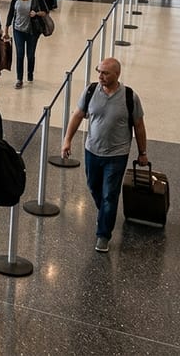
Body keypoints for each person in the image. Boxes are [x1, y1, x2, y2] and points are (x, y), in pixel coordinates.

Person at [60, 58, 149, 253]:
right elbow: (77, 115)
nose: (100, 76)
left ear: (117, 75)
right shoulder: (91, 91)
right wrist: (67, 140)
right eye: (99, 72)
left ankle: (103, 234)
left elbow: (139, 125)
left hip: (117, 154)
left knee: (110, 194)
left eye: (105, 73)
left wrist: (143, 152)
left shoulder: (129, 96)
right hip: (92, 150)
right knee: (93, 186)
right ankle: (107, 214)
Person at [6, 0, 49, 89]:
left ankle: (30, 73)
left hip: (32, 31)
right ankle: (19, 79)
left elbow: (45, 12)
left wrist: (36, 13)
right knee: (20, 54)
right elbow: (10, 13)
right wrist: (6, 29)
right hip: (18, 30)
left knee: (30, 55)